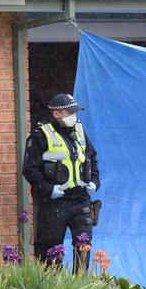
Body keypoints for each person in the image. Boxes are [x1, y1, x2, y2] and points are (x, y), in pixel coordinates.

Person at [22, 93, 100, 271]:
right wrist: (49, 189)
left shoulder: (79, 130)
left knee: (83, 248)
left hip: (81, 200)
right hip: (54, 203)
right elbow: (30, 169)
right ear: (56, 114)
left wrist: (94, 182)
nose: (74, 116)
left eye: (75, 112)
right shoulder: (41, 135)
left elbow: (92, 159)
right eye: (69, 112)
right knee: (50, 253)